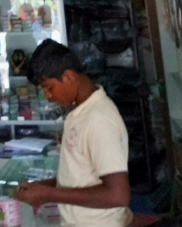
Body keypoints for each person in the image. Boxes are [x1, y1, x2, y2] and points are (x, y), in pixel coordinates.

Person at [15, 39, 133, 227]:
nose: (47, 95)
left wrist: (48, 195)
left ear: (69, 77)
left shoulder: (98, 120)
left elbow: (117, 195)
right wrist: (46, 186)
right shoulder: (79, 112)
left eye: (49, 87)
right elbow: (81, 175)